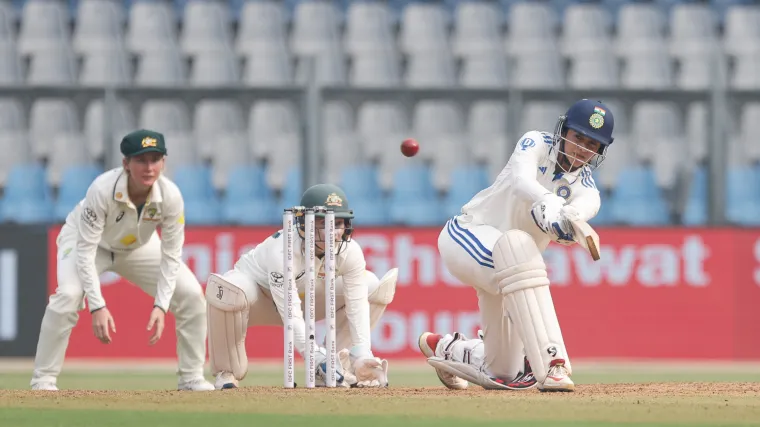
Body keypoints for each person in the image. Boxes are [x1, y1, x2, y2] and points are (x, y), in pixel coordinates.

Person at [418, 99, 615, 392]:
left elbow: (578, 214)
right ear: (564, 131)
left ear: (600, 151)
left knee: (504, 371)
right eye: (578, 137)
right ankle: (553, 364)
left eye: (591, 144)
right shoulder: (535, 142)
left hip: (512, 276)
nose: (582, 149)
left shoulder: (588, 192)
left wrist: (565, 221)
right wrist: (548, 200)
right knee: (519, 247)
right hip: (468, 235)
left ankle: (452, 348)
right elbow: (522, 181)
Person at [30, 130, 214, 391]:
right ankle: (43, 380)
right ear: (126, 163)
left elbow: (172, 255)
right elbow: (84, 251)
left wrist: (161, 306)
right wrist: (97, 307)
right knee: (69, 295)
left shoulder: (171, 196)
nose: (149, 168)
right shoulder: (102, 189)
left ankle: (191, 377)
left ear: (164, 162)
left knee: (192, 295)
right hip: (87, 243)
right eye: (141, 160)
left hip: (138, 246)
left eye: (155, 159)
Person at [205, 184, 396, 389]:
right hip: (259, 299)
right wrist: (314, 356)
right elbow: (291, 314)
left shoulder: (351, 251)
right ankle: (227, 372)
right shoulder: (283, 250)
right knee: (229, 289)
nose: (334, 232)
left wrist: (362, 353)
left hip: (307, 296)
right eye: (325, 224)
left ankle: (340, 367)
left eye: (338, 223)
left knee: (372, 286)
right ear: (305, 224)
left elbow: (357, 304)